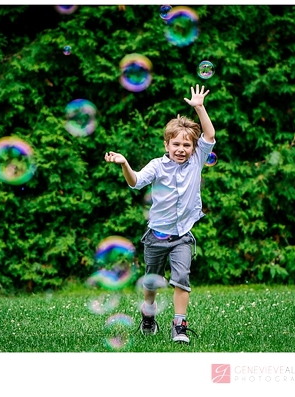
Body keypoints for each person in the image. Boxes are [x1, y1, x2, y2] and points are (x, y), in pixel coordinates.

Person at [104, 84, 215, 344]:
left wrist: (199, 107)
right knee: (151, 283)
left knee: (181, 278)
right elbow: (135, 182)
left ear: (193, 147)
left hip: (182, 235)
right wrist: (124, 164)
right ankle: (149, 315)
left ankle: (179, 326)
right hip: (156, 235)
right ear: (166, 144)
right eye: (175, 143)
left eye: (186, 144)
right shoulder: (157, 165)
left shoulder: (198, 159)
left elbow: (209, 134)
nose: (181, 148)